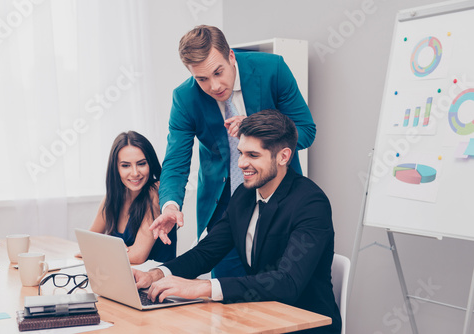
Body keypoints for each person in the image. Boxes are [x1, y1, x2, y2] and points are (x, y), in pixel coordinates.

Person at [136, 110, 341, 334]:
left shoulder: (311, 203)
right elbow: (207, 252)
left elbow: (287, 282)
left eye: (253, 155)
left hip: (305, 323)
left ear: (283, 157)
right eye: (241, 153)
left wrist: (204, 287)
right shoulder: (243, 194)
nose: (242, 163)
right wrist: (156, 274)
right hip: (260, 315)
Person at [150, 25, 316, 278]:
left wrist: (256, 128)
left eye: (218, 72)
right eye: (202, 79)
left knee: (279, 292)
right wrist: (170, 206)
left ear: (230, 56)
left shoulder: (273, 70)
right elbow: (176, 161)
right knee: (223, 301)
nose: (214, 86)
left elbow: (306, 130)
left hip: (279, 201)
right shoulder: (185, 98)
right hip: (225, 211)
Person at [86, 131, 176, 264]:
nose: (135, 173)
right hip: (124, 277)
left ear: (150, 164)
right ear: (115, 168)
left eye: (141, 164)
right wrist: (113, 250)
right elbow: (88, 243)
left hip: (156, 281)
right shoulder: (114, 196)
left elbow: (137, 256)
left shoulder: (155, 192)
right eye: (125, 165)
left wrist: (105, 249)